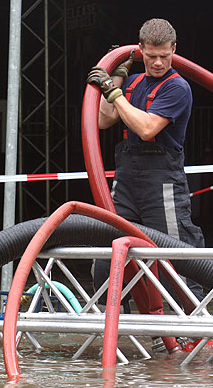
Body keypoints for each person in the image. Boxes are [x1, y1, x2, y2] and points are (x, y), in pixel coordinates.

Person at [87, 18, 205, 306]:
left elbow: (147, 128)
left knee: (174, 255)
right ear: (140, 50)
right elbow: (103, 119)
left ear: (174, 50)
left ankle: (194, 328)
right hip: (127, 178)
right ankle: (113, 325)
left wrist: (115, 93)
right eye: (151, 56)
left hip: (161, 181)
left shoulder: (177, 88)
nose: (157, 63)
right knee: (109, 251)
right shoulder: (134, 82)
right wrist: (114, 78)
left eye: (165, 56)